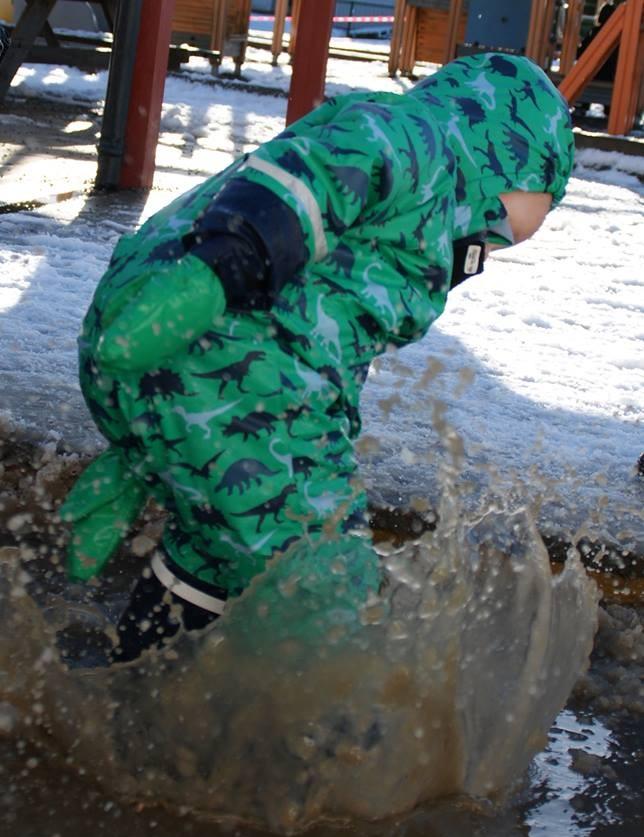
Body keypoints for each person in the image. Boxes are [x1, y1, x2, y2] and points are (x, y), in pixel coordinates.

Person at [59, 52, 575, 666]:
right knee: (324, 561)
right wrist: (228, 261)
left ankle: (136, 680)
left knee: (218, 541)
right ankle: (301, 733)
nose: (539, 219)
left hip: (174, 362)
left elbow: (332, 352)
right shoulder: (419, 145)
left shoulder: (439, 220)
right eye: (551, 193)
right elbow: (317, 174)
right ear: (516, 153)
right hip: (210, 334)